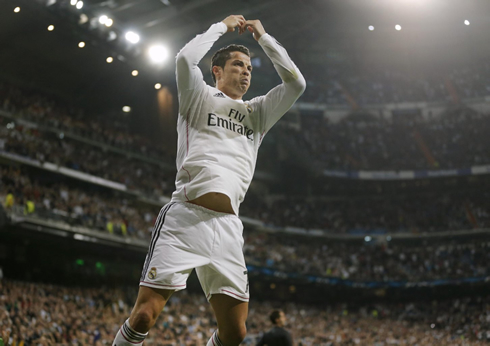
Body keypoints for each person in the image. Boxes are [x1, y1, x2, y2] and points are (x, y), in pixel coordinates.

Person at [113, 14, 305, 346]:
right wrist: (222, 27)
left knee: (236, 333)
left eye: (249, 68)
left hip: (228, 227)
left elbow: (296, 84)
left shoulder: (256, 113)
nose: (246, 72)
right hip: (186, 218)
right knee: (144, 315)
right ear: (217, 70)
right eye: (237, 65)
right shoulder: (198, 96)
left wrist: (263, 38)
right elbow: (185, 58)